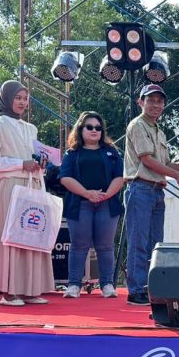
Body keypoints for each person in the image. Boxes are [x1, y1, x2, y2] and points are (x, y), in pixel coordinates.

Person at [0, 81, 55, 306]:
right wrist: (20, 164)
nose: (22, 102)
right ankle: (9, 291)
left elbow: (32, 158)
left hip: (32, 185)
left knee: (31, 235)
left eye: (25, 98)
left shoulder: (31, 128)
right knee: (10, 237)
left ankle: (30, 289)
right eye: (18, 98)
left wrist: (40, 164)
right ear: (6, 99)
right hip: (10, 186)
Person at [123, 84, 179, 306]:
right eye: (150, 100)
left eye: (159, 101)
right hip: (141, 188)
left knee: (155, 244)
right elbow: (147, 160)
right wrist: (177, 176)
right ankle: (136, 290)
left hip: (156, 191)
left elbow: (164, 164)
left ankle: (151, 287)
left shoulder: (158, 131)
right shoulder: (138, 125)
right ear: (140, 102)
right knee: (139, 242)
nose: (156, 105)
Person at [59, 111, 124, 299]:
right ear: (80, 129)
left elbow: (120, 178)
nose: (94, 130)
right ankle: (73, 285)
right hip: (80, 204)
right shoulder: (72, 153)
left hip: (107, 204)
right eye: (89, 127)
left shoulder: (112, 152)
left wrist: (105, 195)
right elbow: (65, 178)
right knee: (79, 246)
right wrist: (87, 193)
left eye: (98, 127)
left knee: (105, 246)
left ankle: (107, 284)